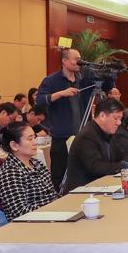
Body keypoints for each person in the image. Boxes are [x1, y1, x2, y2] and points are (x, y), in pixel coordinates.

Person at [37, 48, 114, 190]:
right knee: (59, 173)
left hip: (83, 135)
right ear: (64, 61)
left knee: (85, 171)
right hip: (62, 136)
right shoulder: (51, 80)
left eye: (80, 59)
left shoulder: (84, 79)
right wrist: (61, 93)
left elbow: (106, 87)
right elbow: (40, 100)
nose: (79, 62)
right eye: (76, 59)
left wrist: (110, 74)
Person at [61, 98, 128, 194]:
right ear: (102, 116)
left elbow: (122, 155)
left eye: (120, 119)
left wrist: (127, 163)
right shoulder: (87, 136)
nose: (119, 123)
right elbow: (96, 167)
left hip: (103, 186)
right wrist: (126, 166)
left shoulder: (108, 132)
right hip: (83, 191)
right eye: (116, 118)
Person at [0, 121, 59, 221]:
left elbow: (53, 195)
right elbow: (21, 212)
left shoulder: (37, 164)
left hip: (52, 216)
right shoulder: (9, 173)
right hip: (31, 224)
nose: (35, 142)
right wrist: (52, 208)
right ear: (14, 145)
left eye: (34, 137)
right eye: (30, 139)